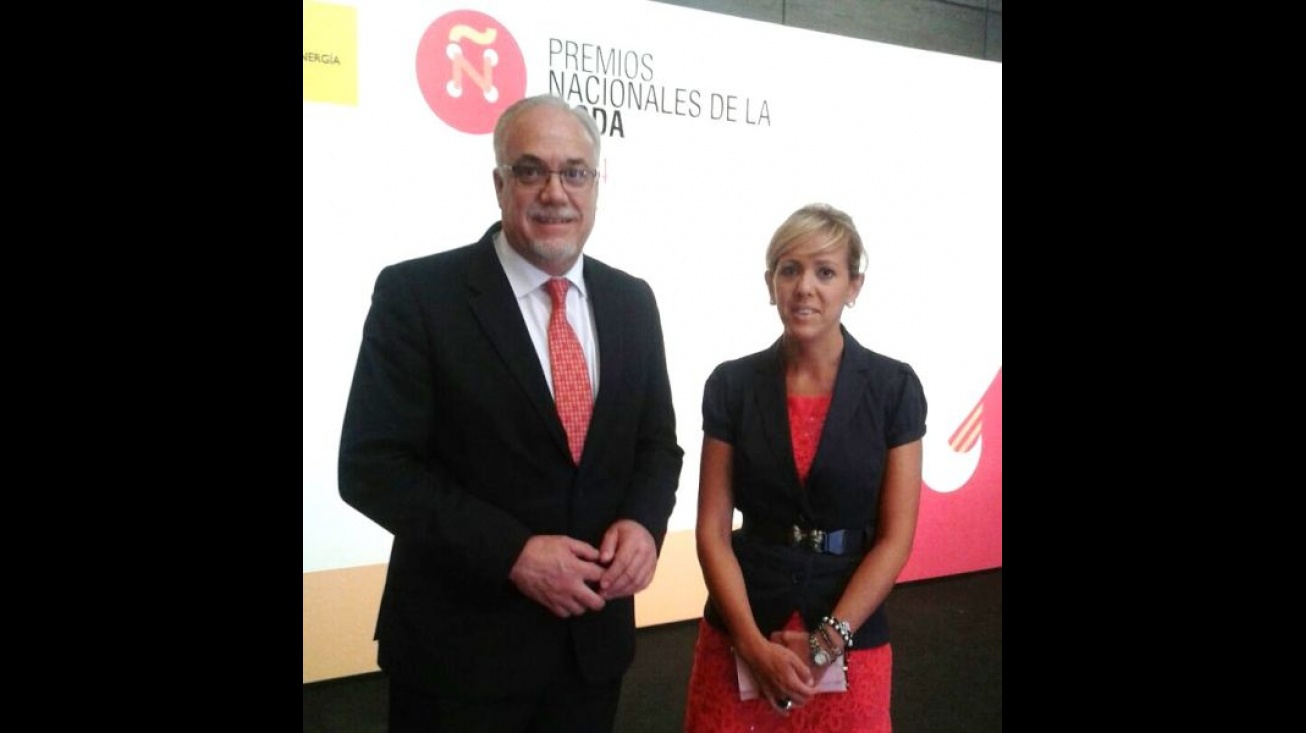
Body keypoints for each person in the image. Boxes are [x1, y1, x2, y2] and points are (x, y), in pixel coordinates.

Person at [338, 94, 684, 733]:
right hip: (458, 660)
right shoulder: (417, 296)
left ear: (597, 184)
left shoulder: (632, 301)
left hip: (590, 653)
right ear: (500, 183)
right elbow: (372, 467)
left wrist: (643, 523)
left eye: (574, 172)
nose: (555, 192)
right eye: (532, 170)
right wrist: (513, 554)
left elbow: (657, 446)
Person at [682, 203, 927, 732]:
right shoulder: (731, 384)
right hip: (743, 627)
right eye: (789, 270)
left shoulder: (894, 388)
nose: (804, 288)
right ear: (770, 283)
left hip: (850, 629)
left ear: (853, 285)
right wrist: (749, 644)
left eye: (825, 272)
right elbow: (712, 530)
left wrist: (827, 641)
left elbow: (896, 538)